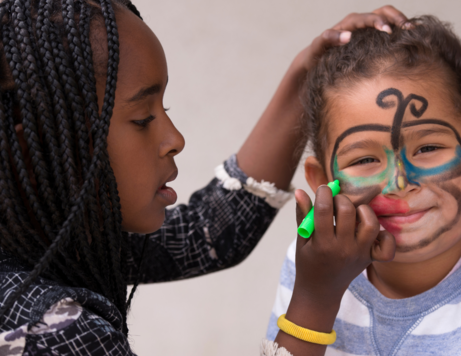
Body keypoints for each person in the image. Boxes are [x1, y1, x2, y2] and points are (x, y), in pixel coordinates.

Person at [0, 0, 410, 354]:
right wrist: (315, 299)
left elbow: (208, 234)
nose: (175, 139)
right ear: (35, 146)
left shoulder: (45, 240)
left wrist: (308, 75)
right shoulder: (48, 335)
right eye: (143, 118)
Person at [266, 16, 461, 356]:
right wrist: (316, 297)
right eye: (364, 160)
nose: (399, 183)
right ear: (324, 182)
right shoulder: (312, 265)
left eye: (428, 148)